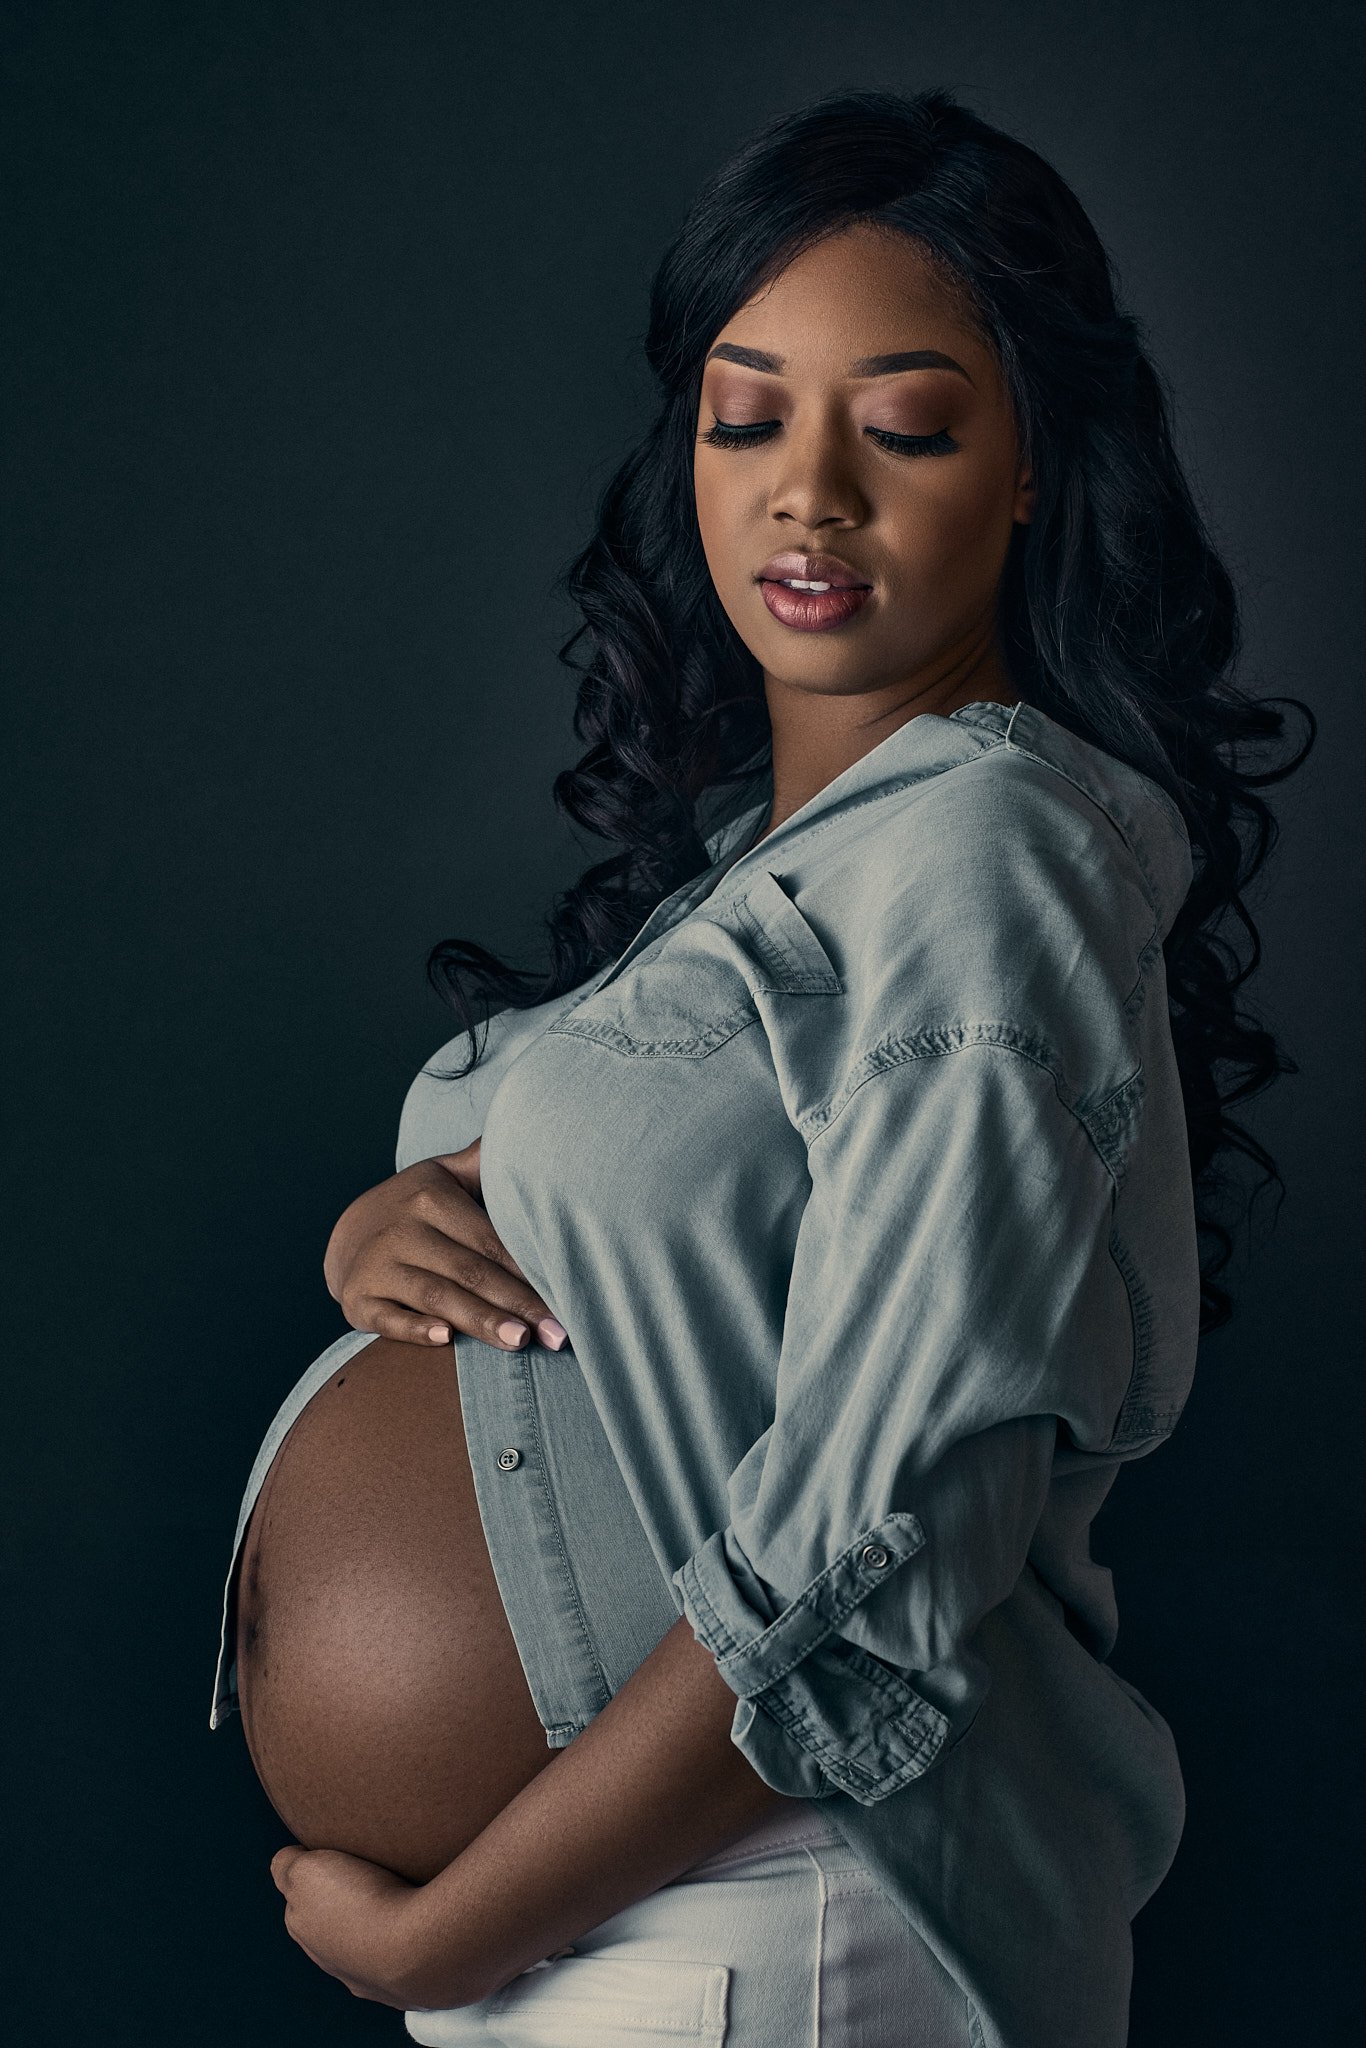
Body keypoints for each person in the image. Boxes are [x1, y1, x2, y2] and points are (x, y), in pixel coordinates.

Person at [214, 87, 1310, 2045]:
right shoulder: (774, 862)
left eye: (900, 425)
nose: (808, 494)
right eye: (747, 416)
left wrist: (449, 1930)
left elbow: (882, 1549)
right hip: (635, 1927)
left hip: (766, 1912)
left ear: (1031, 463)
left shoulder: (990, 845)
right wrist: (402, 1217)